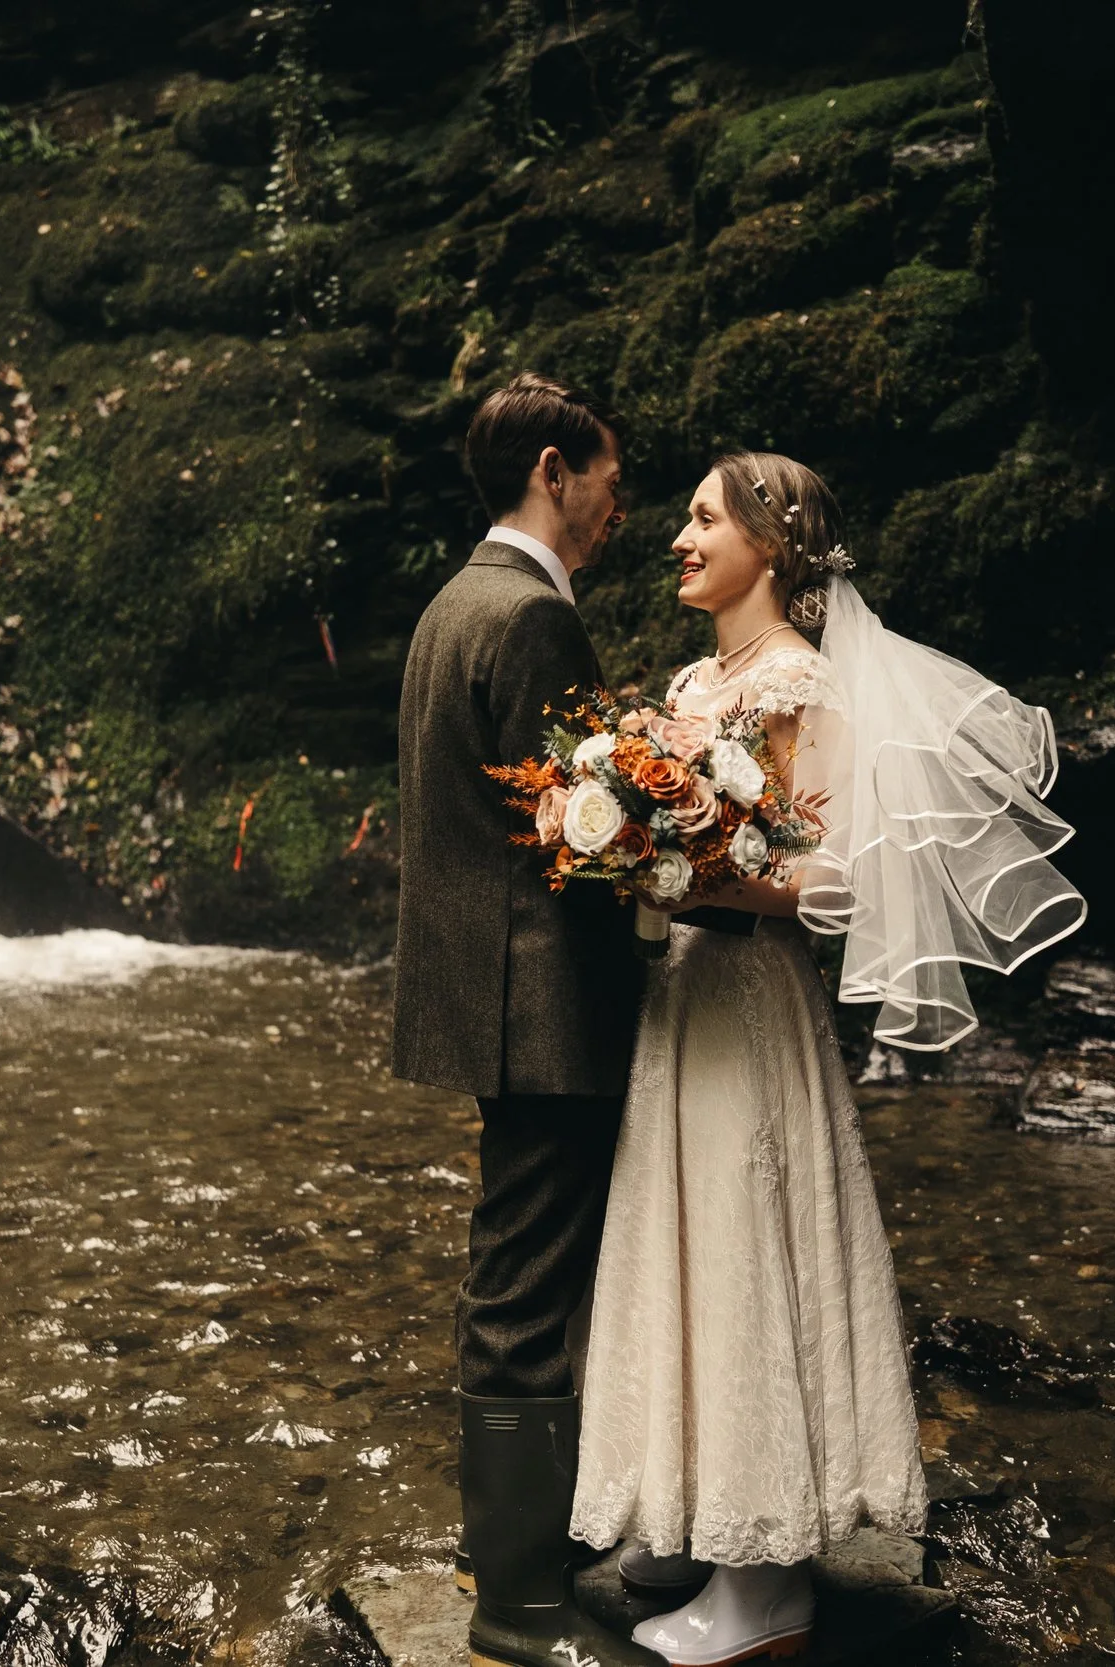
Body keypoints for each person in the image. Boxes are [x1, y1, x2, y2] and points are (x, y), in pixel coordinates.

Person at [568, 453, 1085, 1664]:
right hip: (681, 999)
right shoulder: (696, 678)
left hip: (748, 999)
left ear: (772, 544)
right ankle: (692, 1515)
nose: (679, 539)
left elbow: (834, 876)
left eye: (703, 520)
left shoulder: (805, 680)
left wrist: (698, 873)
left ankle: (767, 1590)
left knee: (749, 1253)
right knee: (680, 1248)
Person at [392, 373, 660, 1667]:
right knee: (529, 1283)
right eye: (608, 478)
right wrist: (684, 879)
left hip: (486, 991)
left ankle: (506, 1548)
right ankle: (521, 1604)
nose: (619, 506)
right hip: (545, 1000)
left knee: (514, 1266)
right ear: (555, 470)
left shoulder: (454, 602)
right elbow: (587, 835)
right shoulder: (533, 618)